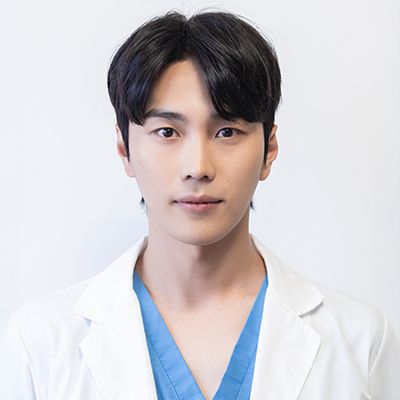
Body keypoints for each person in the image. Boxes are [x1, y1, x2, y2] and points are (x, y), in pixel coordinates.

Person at [0, 9, 399, 400]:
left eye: (227, 131)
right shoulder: (40, 342)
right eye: (167, 132)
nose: (198, 168)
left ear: (269, 150)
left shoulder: (361, 339)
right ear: (125, 150)